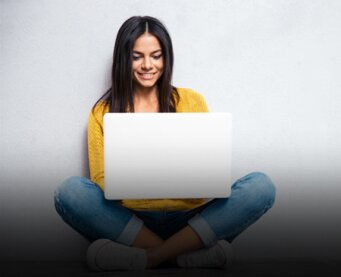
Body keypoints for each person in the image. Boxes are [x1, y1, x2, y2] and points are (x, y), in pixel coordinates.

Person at [54, 16, 276, 271]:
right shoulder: (102, 112)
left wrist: (186, 176)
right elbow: (103, 182)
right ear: (123, 59)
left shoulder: (192, 101)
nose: (147, 65)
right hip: (131, 221)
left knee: (261, 187)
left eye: (156, 56)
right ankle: (185, 255)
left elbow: (207, 177)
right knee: (69, 192)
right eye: (136, 56)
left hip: (189, 220)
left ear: (166, 58)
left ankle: (149, 257)